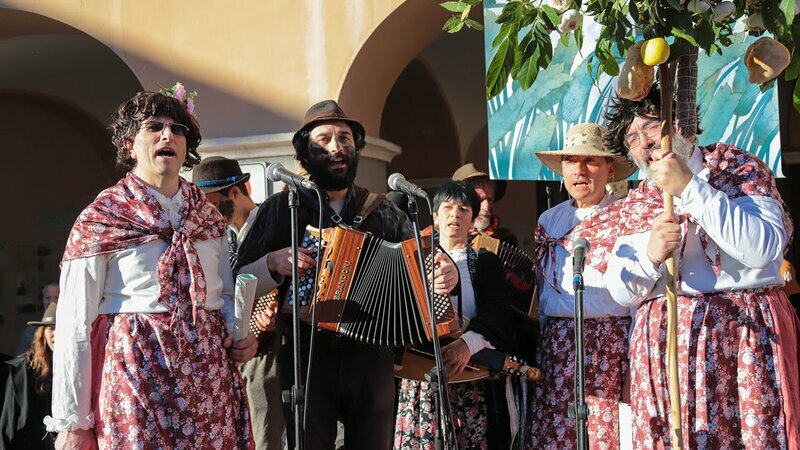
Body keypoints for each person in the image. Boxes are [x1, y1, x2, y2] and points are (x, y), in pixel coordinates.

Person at [233, 100, 459, 450]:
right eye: (324, 139)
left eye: (345, 138)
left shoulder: (383, 210)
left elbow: (429, 262)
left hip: (372, 355)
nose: (337, 146)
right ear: (305, 152)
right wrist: (273, 263)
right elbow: (239, 277)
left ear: (356, 148)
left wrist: (446, 275)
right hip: (306, 353)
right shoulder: (282, 207)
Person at [44, 86, 257, 449]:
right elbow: (74, 323)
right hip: (135, 372)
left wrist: (241, 336)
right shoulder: (102, 218)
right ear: (129, 145)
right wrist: (73, 421)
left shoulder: (207, 217)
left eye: (178, 129)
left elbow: (222, 297)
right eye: (154, 126)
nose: (168, 135)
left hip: (206, 380)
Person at [602, 85, 800, 448]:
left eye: (649, 126)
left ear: (678, 123)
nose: (643, 142)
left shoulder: (735, 168)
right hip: (666, 347)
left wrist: (691, 189)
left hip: (743, 339)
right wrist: (650, 255)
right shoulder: (637, 200)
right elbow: (620, 291)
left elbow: (764, 249)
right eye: (631, 137)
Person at [527, 123, 636, 449]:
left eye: (591, 161)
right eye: (572, 161)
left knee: (604, 434)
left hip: (608, 345)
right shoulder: (549, 221)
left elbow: (637, 298)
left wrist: (632, 363)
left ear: (610, 168)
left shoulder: (626, 216)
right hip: (556, 346)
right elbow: (544, 292)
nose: (580, 170)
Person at [394, 180, 516, 449]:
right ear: (435, 217)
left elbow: (498, 313)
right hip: (420, 378)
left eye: (464, 209)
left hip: (467, 375)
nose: (455, 215)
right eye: (447, 208)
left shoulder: (485, 262)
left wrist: (466, 344)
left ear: (472, 219)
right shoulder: (411, 259)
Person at [193, 156, 286, 449]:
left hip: (271, 349)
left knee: (265, 433)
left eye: (211, 202)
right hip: (237, 353)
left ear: (235, 191)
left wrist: (276, 308)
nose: (206, 211)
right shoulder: (223, 237)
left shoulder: (273, 223)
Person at [1, 303, 57, 449]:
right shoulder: (24, 369)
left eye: (60, 327)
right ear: (42, 333)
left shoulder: (81, 366)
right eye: (51, 328)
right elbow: (10, 418)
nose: (55, 334)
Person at [452, 163, 517, 245]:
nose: (487, 207)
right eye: (479, 199)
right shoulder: (440, 240)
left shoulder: (505, 239)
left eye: (490, 200)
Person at [17, 282, 59, 354]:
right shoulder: (30, 332)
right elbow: (21, 360)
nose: (52, 301)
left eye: (56, 297)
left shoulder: (73, 329)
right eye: (48, 298)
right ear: (42, 301)